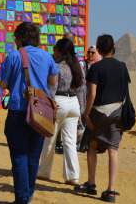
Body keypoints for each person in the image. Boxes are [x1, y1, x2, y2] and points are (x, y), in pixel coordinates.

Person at [0, 22, 59, 204]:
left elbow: (3, 85)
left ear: (21, 38)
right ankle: (29, 194)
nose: (14, 40)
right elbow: (53, 82)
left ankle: (22, 197)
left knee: (18, 157)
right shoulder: (47, 56)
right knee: (33, 157)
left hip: (18, 110)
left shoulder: (14, 56)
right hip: (40, 112)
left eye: (15, 37)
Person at [75, 34, 130, 203]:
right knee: (113, 148)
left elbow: (92, 94)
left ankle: (91, 184)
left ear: (98, 49)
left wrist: (86, 113)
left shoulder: (96, 68)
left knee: (92, 143)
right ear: (113, 48)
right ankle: (111, 190)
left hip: (98, 112)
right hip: (117, 112)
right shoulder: (122, 66)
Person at [37, 38, 86, 185]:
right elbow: (82, 89)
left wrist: (50, 107)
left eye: (55, 48)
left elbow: (52, 88)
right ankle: (73, 176)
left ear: (61, 51)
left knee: (49, 139)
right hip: (74, 104)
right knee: (70, 141)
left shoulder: (56, 66)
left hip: (59, 102)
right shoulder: (77, 66)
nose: (53, 51)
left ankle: (44, 171)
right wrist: (81, 110)